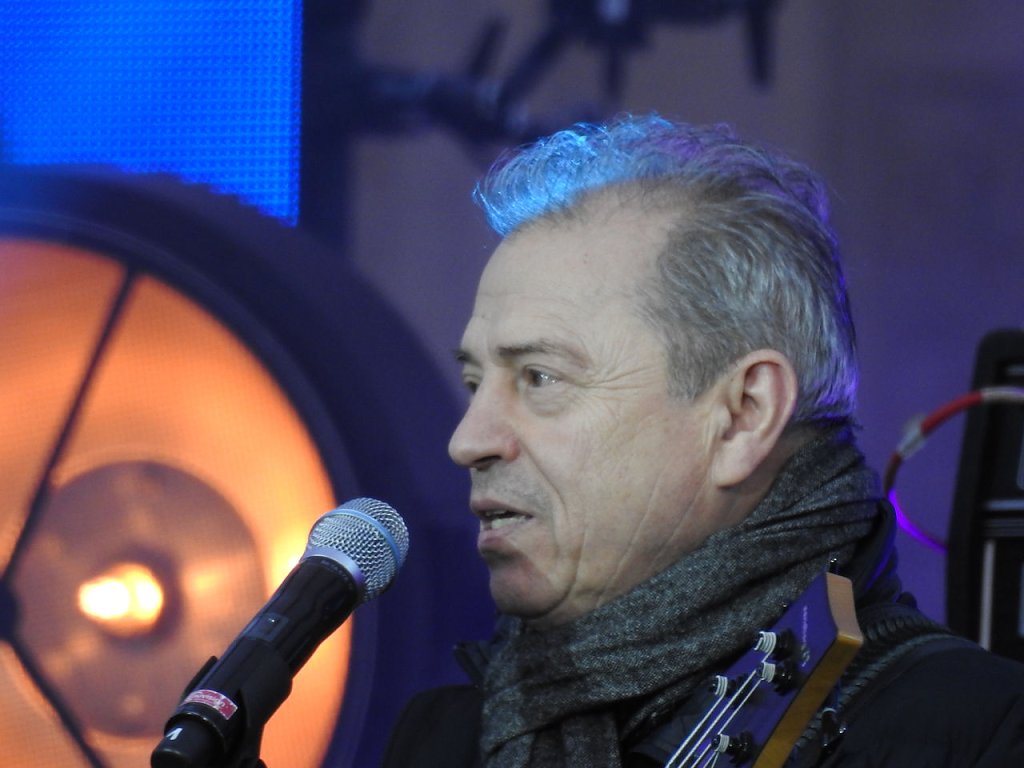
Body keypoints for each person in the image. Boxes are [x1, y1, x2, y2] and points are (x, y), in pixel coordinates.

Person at [382, 114, 1024, 767]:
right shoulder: (440, 741)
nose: (469, 441)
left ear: (745, 414)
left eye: (540, 377)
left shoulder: (981, 738)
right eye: (474, 383)